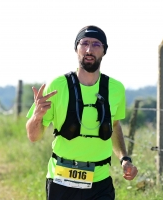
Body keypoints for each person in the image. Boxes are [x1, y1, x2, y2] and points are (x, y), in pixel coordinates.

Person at [25, 25, 138, 200]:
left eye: (96, 44)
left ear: (104, 51)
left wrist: (124, 159)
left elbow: (114, 125)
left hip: (100, 181)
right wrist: (36, 116)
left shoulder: (116, 89)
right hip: (61, 180)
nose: (89, 49)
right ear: (76, 48)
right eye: (84, 43)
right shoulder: (56, 85)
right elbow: (33, 136)